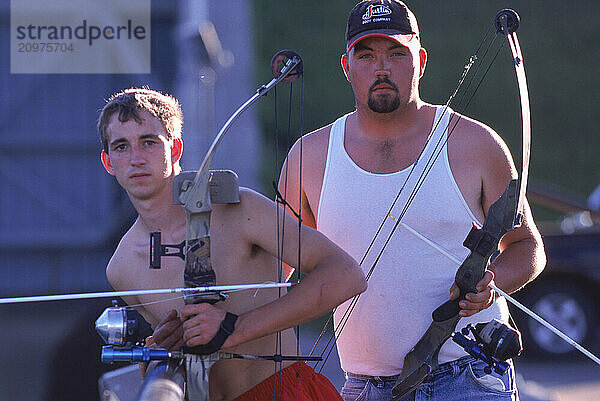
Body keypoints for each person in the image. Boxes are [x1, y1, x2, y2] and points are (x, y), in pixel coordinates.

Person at [278, 1, 546, 400]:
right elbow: (272, 270)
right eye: (366, 55)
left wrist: (492, 284)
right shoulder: (309, 157)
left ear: (420, 61)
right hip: (364, 384)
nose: (381, 69)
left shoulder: (475, 143)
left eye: (396, 53)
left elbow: (527, 248)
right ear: (346, 67)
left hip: (469, 377)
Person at [98, 87, 367, 401]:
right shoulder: (122, 268)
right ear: (108, 162)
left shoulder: (241, 210)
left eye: (148, 142)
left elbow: (346, 275)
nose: (136, 158)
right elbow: (189, 361)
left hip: (285, 392)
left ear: (174, 150)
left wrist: (232, 328)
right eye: (121, 146)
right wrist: (162, 355)